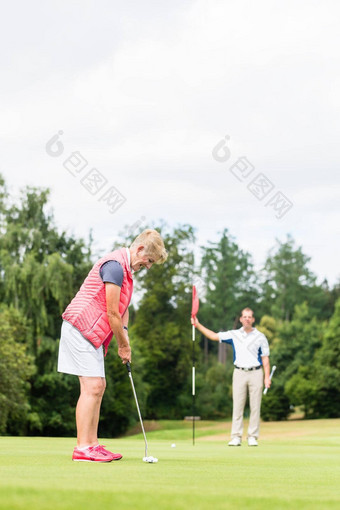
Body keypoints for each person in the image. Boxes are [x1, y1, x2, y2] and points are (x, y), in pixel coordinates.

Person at [58, 229, 167, 462]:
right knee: (93, 386)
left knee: (99, 386)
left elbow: (123, 310)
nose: (147, 266)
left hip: (92, 335)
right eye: (148, 261)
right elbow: (111, 312)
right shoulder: (115, 266)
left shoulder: (127, 274)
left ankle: (92, 444)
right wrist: (123, 346)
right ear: (139, 249)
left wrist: (125, 339)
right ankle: (83, 447)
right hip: (80, 327)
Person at [191, 308, 271, 446]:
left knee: (255, 406)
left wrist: (267, 377)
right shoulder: (234, 335)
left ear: (253, 320)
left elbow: (265, 359)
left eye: (249, 317)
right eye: (244, 317)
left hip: (256, 373)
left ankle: (252, 436)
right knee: (238, 405)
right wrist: (197, 325)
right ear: (240, 319)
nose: (247, 319)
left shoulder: (260, 337)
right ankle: (236, 437)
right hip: (239, 372)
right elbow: (213, 336)